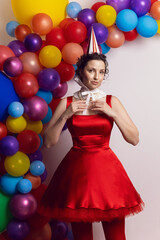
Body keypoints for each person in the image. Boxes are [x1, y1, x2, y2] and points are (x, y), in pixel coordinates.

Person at [39, 30, 144, 240]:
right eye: (91, 70)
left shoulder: (112, 101)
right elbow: (49, 143)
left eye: (101, 72)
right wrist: (66, 115)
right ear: (81, 71)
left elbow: (134, 139)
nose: (96, 77)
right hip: (77, 176)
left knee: (116, 237)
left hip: (108, 175)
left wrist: (111, 112)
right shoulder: (66, 102)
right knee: (82, 237)